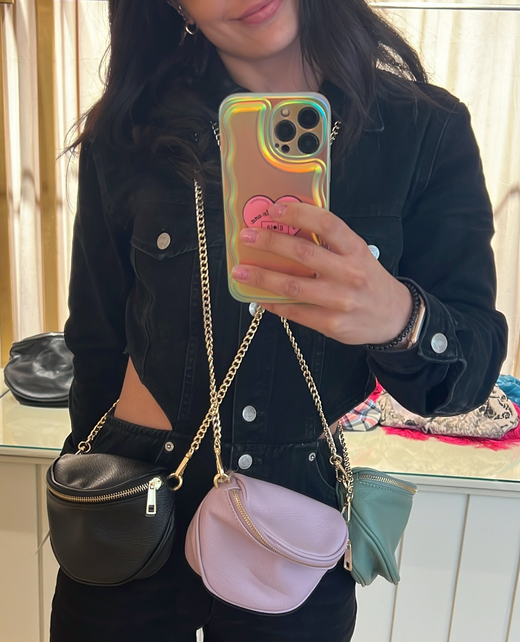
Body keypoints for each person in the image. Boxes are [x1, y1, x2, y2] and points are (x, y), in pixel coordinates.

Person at [50, 1, 508, 640]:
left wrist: (399, 317)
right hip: (136, 498)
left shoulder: (423, 131)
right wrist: (86, 486)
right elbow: (95, 341)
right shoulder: (130, 130)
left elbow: (468, 373)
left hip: (296, 523)